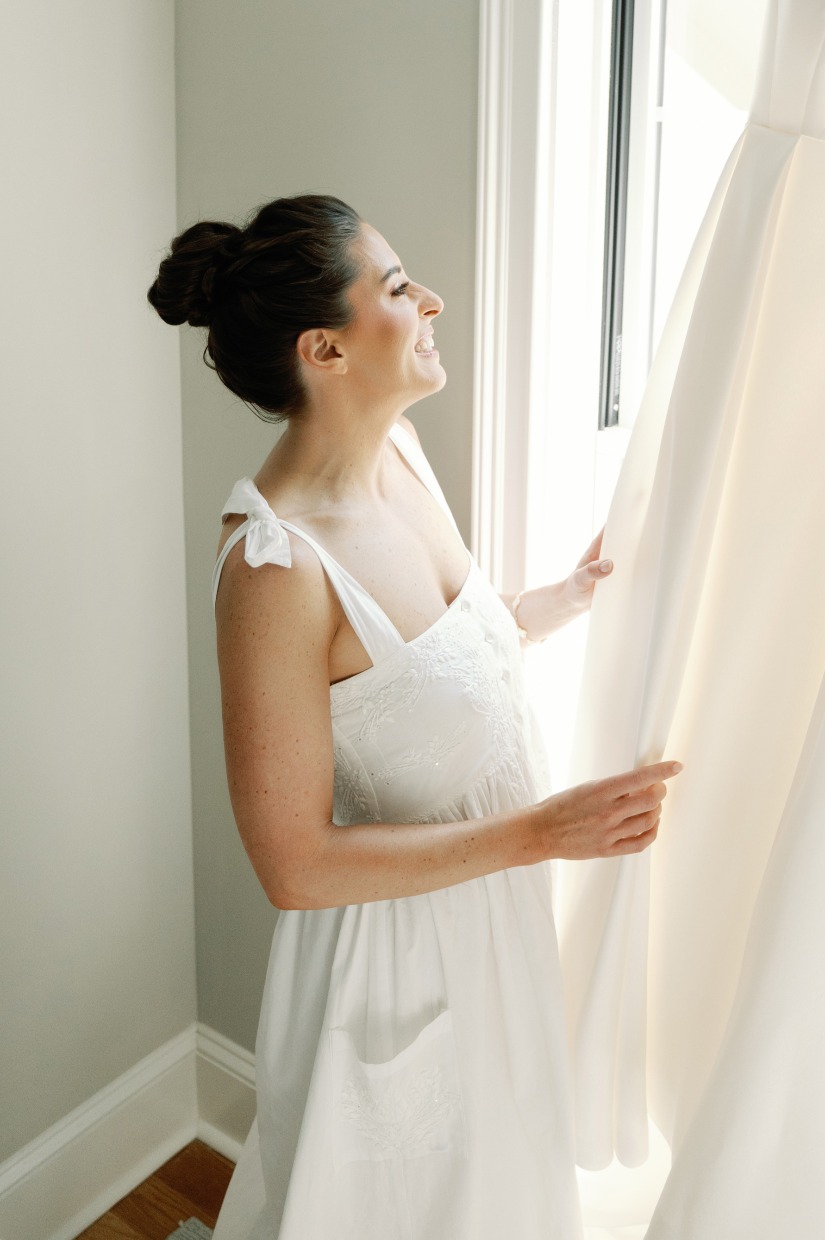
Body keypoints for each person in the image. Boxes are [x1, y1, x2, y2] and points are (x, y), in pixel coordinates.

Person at [147, 191, 681, 1240]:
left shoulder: (400, 453)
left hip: (492, 920)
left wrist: (552, 605)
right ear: (325, 349)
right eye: (396, 288)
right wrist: (541, 834)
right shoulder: (274, 565)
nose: (430, 299)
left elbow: (429, 663)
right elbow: (294, 865)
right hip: (396, 962)